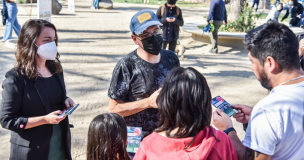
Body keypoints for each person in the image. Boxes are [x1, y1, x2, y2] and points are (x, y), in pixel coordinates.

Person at [213, 21, 304, 160]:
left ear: (270, 63)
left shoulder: (267, 111)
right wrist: (254, 119)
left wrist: (228, 129)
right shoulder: (265, 113)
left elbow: (248, 157)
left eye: (252, 61)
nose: (252, 68)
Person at [108, 10, 180, 158]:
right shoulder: (126, 66)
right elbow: (114, 109)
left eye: (156, 30)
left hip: (166, 136)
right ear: (135, 39)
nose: (153, 36)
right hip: (136, 140)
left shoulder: (172, 59)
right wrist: (148, 102)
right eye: (146, 35)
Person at [0, 19, 75, 160]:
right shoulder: (15, 78)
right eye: (47, 40)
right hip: (31, 151)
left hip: (59, 144)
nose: (52, 44)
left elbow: (53, 95)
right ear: (31, 42)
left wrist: (65, 99)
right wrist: (45, 120)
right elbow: (7, 120)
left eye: (54, 39)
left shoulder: (56, 69)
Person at [133, 67, 238, 160]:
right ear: (205, 102)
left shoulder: (149, 146)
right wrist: (229, 128)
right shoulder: (221, 140)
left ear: (165, 103)